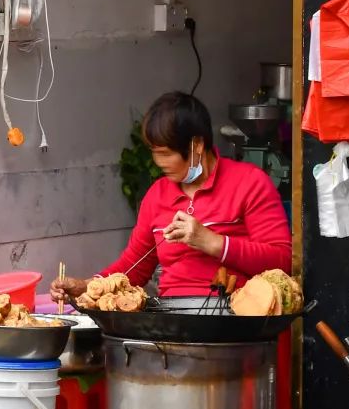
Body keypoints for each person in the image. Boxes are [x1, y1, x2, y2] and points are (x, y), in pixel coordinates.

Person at [51, 90, 292, 304]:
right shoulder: (157, 195)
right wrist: (86, 286)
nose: (159, 162)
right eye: (154, 153)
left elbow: (282, 261)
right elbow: (134, 267)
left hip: (234, 319)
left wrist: (213, 242)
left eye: (166, 153)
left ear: (196, 145)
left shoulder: (249, 182)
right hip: (171, 317)